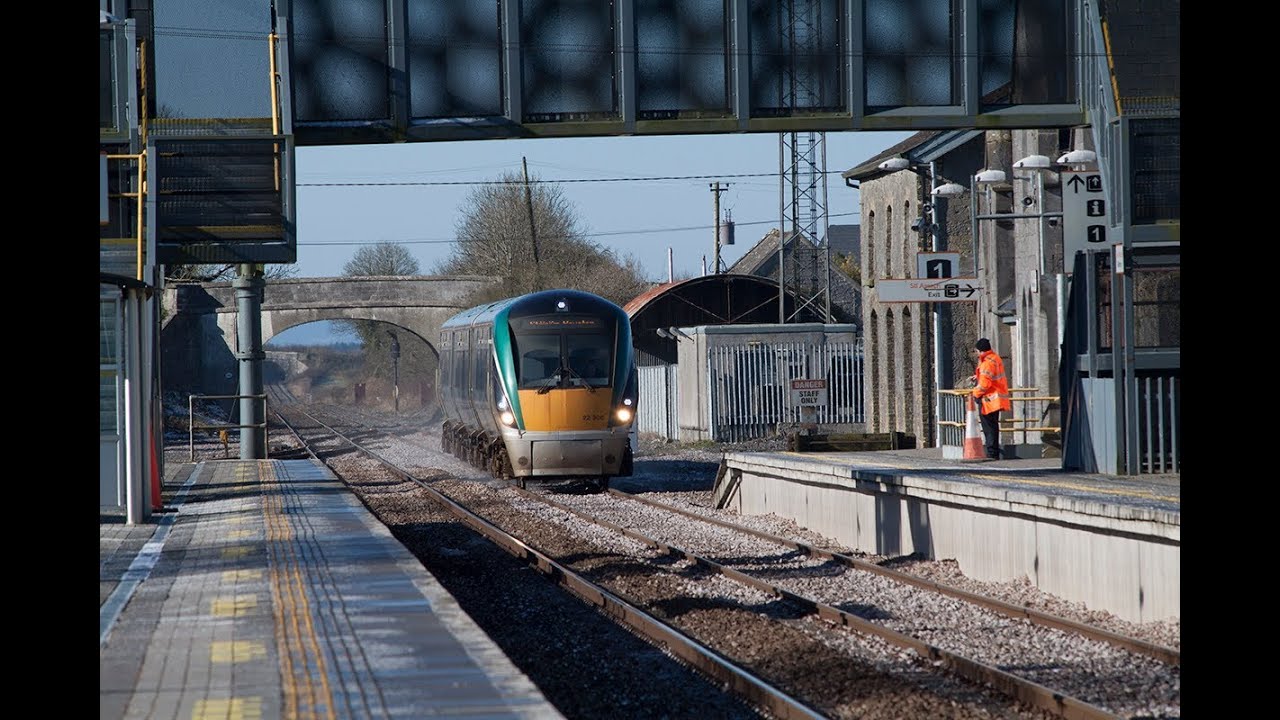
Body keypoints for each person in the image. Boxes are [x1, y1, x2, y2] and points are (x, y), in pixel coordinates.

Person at [971, 338, 1012, 460]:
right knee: (994, 426)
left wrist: (975, 393)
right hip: (996, 398)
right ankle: (993, 452)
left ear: (981, 351)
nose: (976, 353)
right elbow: (991, 376)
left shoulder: (986, 363)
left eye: (977, 351)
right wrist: (977, 376)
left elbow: (984, 385)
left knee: (988, 428)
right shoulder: (995, 358)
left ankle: (991, 453)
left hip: (988, 400)